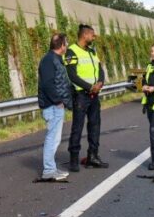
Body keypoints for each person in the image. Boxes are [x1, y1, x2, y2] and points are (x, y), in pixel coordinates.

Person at [65, 24, 108, 172]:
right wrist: (90, 86)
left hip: (94, 95)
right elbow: (72, 75)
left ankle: (93, 157)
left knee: (95, 126)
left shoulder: (92, 51)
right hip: (81, 96)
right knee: (77, 127)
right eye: (92, 35)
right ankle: (74, 159)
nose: (94, 37)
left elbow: (100, 69)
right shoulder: (71, 51)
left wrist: (100, 82)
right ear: (84, 35)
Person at [37, 33, 72, 181]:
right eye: (67, 43)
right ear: (62, 45)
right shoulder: (49, 60)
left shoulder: (55, 59)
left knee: (55, 139)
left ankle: (52, 168)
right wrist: (58, 101)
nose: (67, 46)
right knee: (52, 138)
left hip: (56, 105)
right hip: (52, 106)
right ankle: (49, 171)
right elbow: (47, 84)